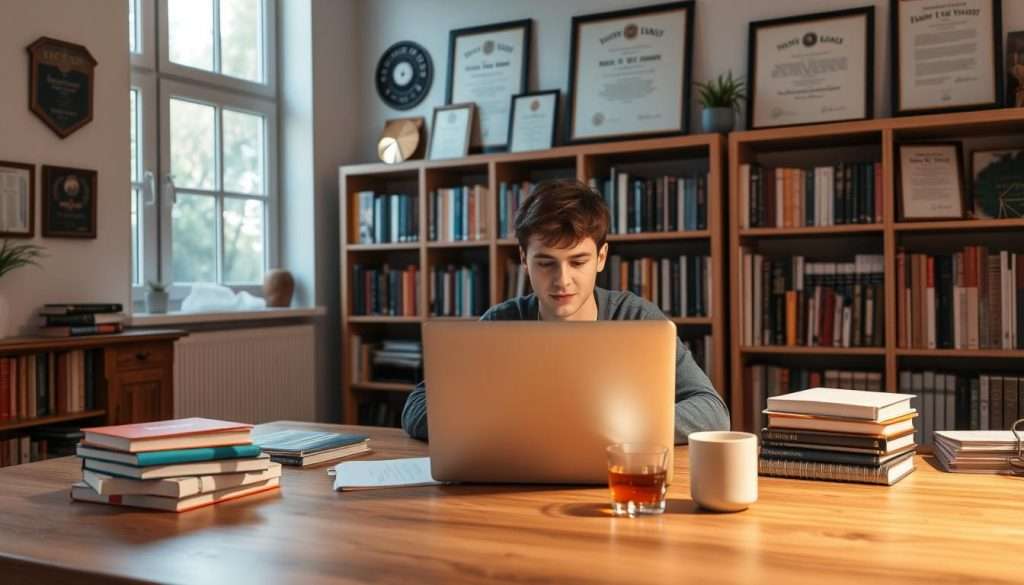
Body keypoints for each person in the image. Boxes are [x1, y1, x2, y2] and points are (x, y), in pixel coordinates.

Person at [401, 179, 730, 443]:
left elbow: (712, 411)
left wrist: (615, 427)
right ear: (523, 260)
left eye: (578, 262)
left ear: (601, 258)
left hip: (614, 477)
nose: (562, 280)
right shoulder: (500, 324)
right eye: (545, 263)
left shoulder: (637, 320)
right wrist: (514, 425)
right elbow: (417, 408)